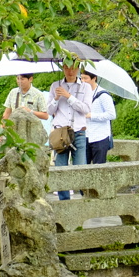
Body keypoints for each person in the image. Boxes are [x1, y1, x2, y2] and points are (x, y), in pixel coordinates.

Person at [47, 63, 93, 199]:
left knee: (80, 168)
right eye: (66, 67)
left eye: (73, 68)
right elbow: (49, 111)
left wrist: (69, 96)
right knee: (60, 169)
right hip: (60, 132)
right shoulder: (55, 86)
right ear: (63, 68)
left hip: (78, 131)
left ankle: (85, 199)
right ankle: (64, 200)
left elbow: (86, 109)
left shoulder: (86, 87)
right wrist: (56, 98)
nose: (70, 71)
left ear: (78, 68)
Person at [82, 70, 116, 165]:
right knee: (82, 167)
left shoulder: (103, 95)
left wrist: (91, 115)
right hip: (85, 135)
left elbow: (111, 114)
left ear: (94, 78)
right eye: (82, 78)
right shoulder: (82, 94)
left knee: (98, 167)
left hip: (100, 136)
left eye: (86, 78)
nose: (83, 81)